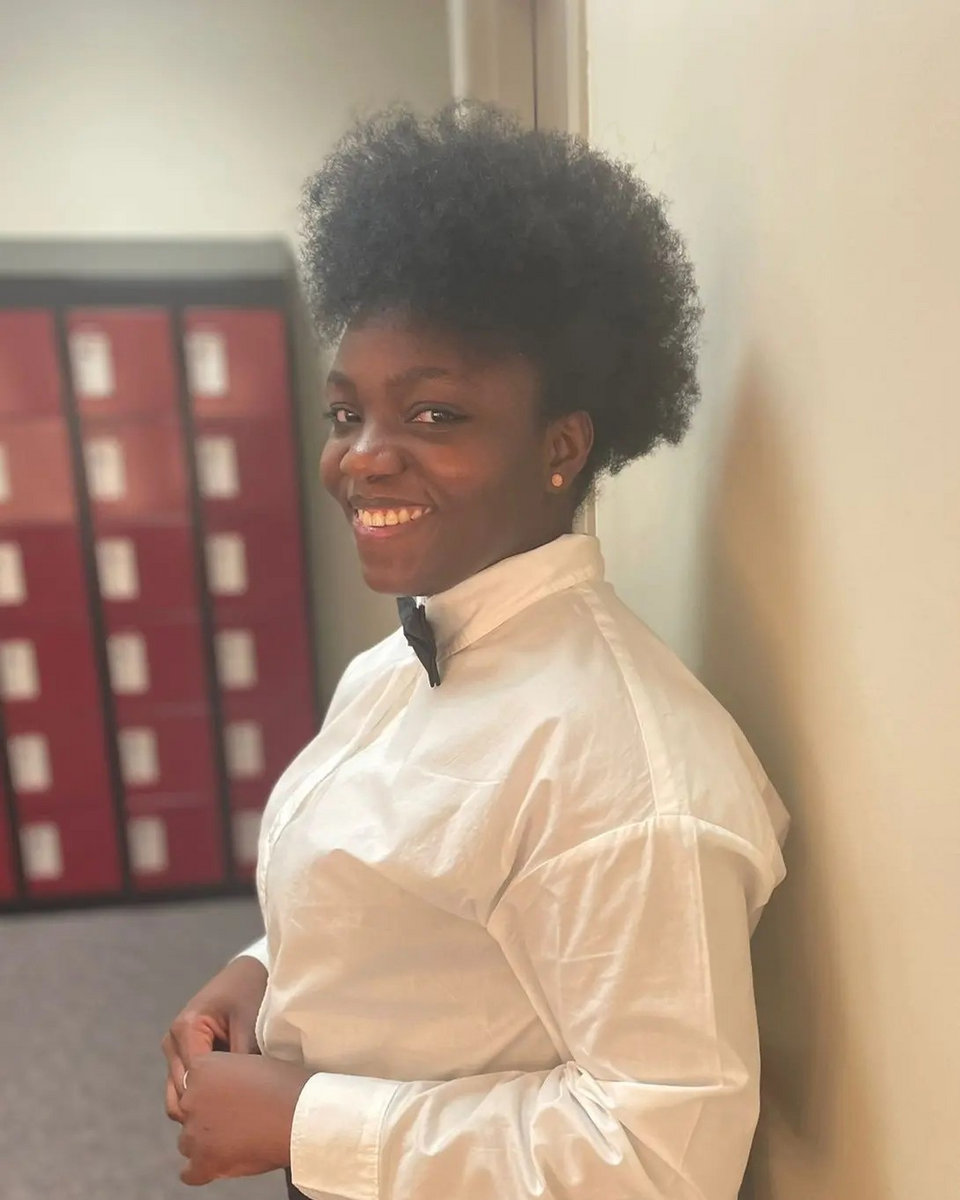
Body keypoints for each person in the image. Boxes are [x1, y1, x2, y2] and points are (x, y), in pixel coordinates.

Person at [162, 102, 789, 1200]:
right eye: (346, 414)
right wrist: (262, 975)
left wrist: (309, 1121)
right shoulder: (392, 667)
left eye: (434, 415)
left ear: (562, 446)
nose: (364, 458)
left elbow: (664, 1154)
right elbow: (420, 926)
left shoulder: (627, 772)